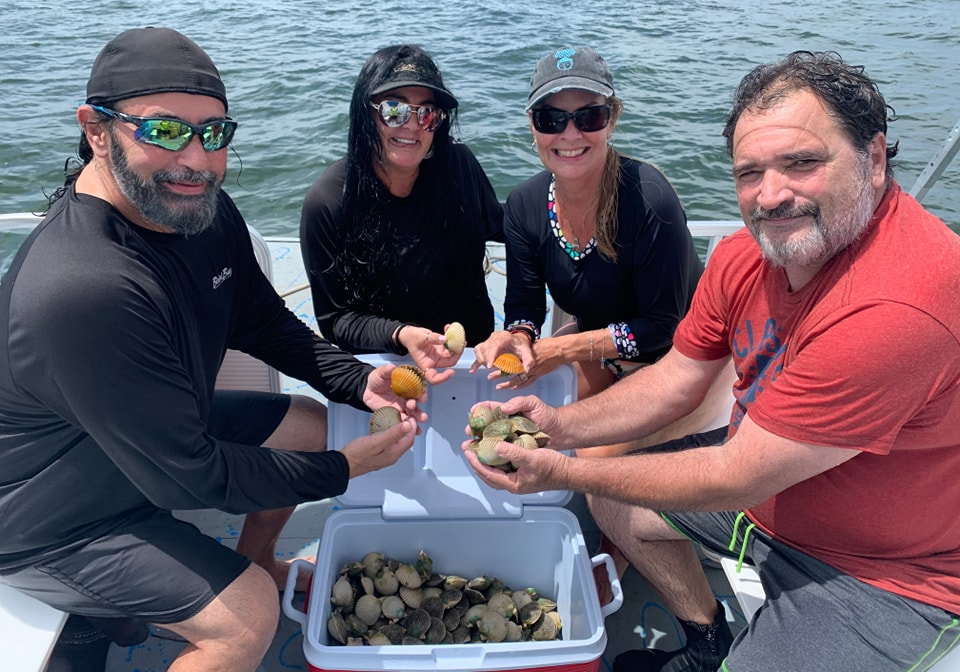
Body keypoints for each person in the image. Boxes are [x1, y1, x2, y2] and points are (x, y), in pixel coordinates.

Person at [463, 51, 960, 672]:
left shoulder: (897, 304)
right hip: (771, 505)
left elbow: (737, 473)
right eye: (750, 172)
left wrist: (560, 470)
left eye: (803, 162)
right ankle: (706, 641)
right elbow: (675, 378)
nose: (771, 195)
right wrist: (558, 428)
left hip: (884, 574)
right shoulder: (742, 255)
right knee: (616, 505)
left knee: (602, 483)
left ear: (875, 157)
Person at [0, 27, 422, 672]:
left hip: (153, 431)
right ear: (95, 129)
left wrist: (355, 380)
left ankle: (253, 558)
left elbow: (259, 320)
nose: (197, 160)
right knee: (246, 616)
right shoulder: (85, 287)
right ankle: (234, 585)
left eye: (214, 133)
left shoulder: (199, 210)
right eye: (164, 131)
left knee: (308, 425)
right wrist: (344, 469)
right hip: (50, 514)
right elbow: (192, 474)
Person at [470, 46, 730, 433]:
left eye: (589, 116)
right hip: (601, 351)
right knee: (522, 425)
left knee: (592, 466)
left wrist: (562, 349)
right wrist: (519, 336)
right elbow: (524, 304)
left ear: (612, 120)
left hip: (680, 358)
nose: (570, 134)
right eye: (551, 119)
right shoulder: (525, 204)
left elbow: (663, 325)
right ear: (532, 126)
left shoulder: (649, 199)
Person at [300, 44, 503, 382]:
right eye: (394, 110)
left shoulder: (459, 165)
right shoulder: (329, 202)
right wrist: (400, 334)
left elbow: (504, 225)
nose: (411, 125)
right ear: (367, 115)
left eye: (426, 113)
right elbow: (336, 320)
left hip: (475, 361)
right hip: (388, 371)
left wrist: (567, 203)